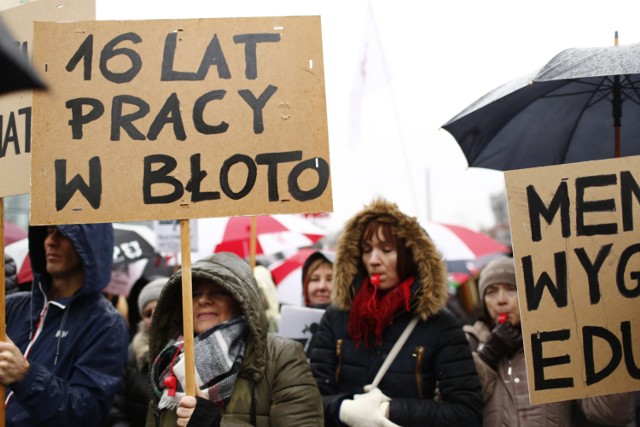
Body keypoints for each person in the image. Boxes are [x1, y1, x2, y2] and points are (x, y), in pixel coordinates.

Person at [309, 198, 483, 427]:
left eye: (387, 250)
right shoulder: (335, 318)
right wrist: (344, 409)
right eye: (366, 250)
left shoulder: (439, 324)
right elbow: (307, 400)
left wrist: (390, 410)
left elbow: (467, 413)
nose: (373, 260)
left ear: (411, 255)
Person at [146, 252, 324, 426]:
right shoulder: (167, 362)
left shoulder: (282, 356)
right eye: (194, 293)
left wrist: (214, 422)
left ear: (240, 300)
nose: (204, 300)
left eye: (218, 292)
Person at [464, 256, 636, 426]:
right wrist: (487, 357)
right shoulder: (468, 342)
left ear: (529, 294)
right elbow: (451, 410)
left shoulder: (557, 342)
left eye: (511, 289)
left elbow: (612, 413)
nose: (501, 300)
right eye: (491, 292)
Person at [1, 224, 129, 426]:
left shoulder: (106, 323)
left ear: (88, 244)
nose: (51, 241)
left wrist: (25, 376)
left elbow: (87, 412)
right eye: (48, 232)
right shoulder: (12, 305)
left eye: (62, 234)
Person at [109, 276, 169, 427]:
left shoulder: (190, 352)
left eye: (160, 308)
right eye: (148, 313)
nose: (154, 316)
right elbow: (115, 408)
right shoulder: (131, 354)